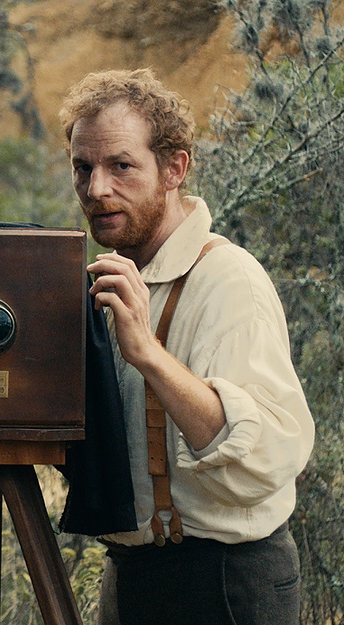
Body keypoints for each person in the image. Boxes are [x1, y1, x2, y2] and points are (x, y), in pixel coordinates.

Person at [59, 69, 314, 625]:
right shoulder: (111, 281)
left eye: (121, 166)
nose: (96, 189)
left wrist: (148, 353)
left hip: (224, 582)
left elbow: (268, 458)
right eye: (83, 168)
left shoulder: (228, 280)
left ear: (174, 168)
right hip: (130, 574)